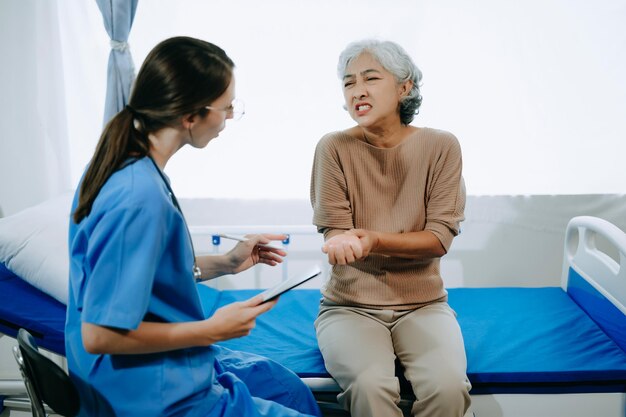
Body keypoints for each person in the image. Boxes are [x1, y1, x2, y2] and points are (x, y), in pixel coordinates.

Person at [66, 36, 321, 417]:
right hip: (148, 392)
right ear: (191, 116)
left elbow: (147, 277)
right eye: (227, 107)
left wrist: (228, 263)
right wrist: (211, 330)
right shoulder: (139, 197)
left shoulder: (130, 166)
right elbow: (99, 334)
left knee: (288, 387)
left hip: (160, 367)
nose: (230, 118)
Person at [310, 39, 472, 417]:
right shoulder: (332, 148)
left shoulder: (441, 146)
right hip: (349, 307)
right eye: (348, 83)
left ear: (404, 87)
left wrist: (372, 240)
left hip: (423, 305)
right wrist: (340, 241)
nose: (357, 91)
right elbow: (335, 230)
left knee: (448, 390)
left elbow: (438, 240)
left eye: (370, 78)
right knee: (370, 388)